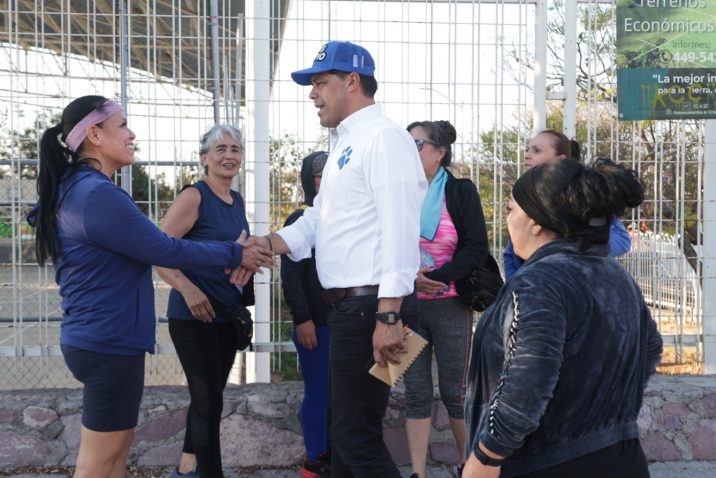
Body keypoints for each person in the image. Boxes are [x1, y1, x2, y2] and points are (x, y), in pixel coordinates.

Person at [30, 96, 273, 478]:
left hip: (105, 339)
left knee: (115, 454)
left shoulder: (81, 188)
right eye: (122, 125)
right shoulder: (96, 194)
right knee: (98, 462)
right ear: (94, 135)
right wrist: (233, 252)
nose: (131, 134)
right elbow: (163, 248)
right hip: (107, 341)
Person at [245, 41, 427, 477]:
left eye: (321, 82)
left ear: (352, 82)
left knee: (356, 436)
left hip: (375, 310)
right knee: (343, 436)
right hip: (354, 311)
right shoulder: (347, 143)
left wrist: (389, 317)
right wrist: (267, 243)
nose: (313, 94)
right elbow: (318, 220)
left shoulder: (384, 138)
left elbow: (401, 227)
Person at [463, 158, 663, 478]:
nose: (508, 220)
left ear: (535, 222)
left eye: (511, 209)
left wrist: (487, 456)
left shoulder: (538, 281)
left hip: (548, 463)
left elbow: (528, 380)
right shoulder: (614, 274)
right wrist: (602, 408)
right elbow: (650, 349)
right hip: (622, 456)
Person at [155, 124, 256, 478]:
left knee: (209, 397)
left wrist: (248, 261)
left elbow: (233, 251)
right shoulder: (194, 197)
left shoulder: (237, 200)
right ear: (204, 158)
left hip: (226, 315)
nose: (229, 155)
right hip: (192, 316)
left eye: (235, 149)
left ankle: (187, 466)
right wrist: (187, 288)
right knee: (208, 403)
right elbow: (158, 250)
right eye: (220, 149)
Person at [404, 120, 489, 478]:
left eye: (417, 144)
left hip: (451, 304)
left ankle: (470, 468)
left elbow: (476, 248)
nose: (409, 151)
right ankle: (418, 473)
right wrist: (412, 280)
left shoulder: (460, 191)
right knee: (415, 391)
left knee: (456, 392)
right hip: (406, 306)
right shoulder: (396, 191)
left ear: (439, 152)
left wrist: (436, 278)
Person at [503, 129, 631, 280]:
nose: (527, 155)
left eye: (537, 150)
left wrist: (573, 251)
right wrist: (514, 285)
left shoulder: (581, 194)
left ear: (561, 159)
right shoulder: (522, 193)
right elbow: (510, 253)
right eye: (527, 149)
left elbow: (622, 239)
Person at [280, 151, 332, 478]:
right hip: (317, 325)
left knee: (344, 395)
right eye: (321, 175)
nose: (328, 181)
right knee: (318, 392)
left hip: (347, 323)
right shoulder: (301, 219)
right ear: (309, 180)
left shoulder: (348, 217)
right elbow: (290, 275)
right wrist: (302, 319)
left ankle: (337, 454)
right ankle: (315, 459)